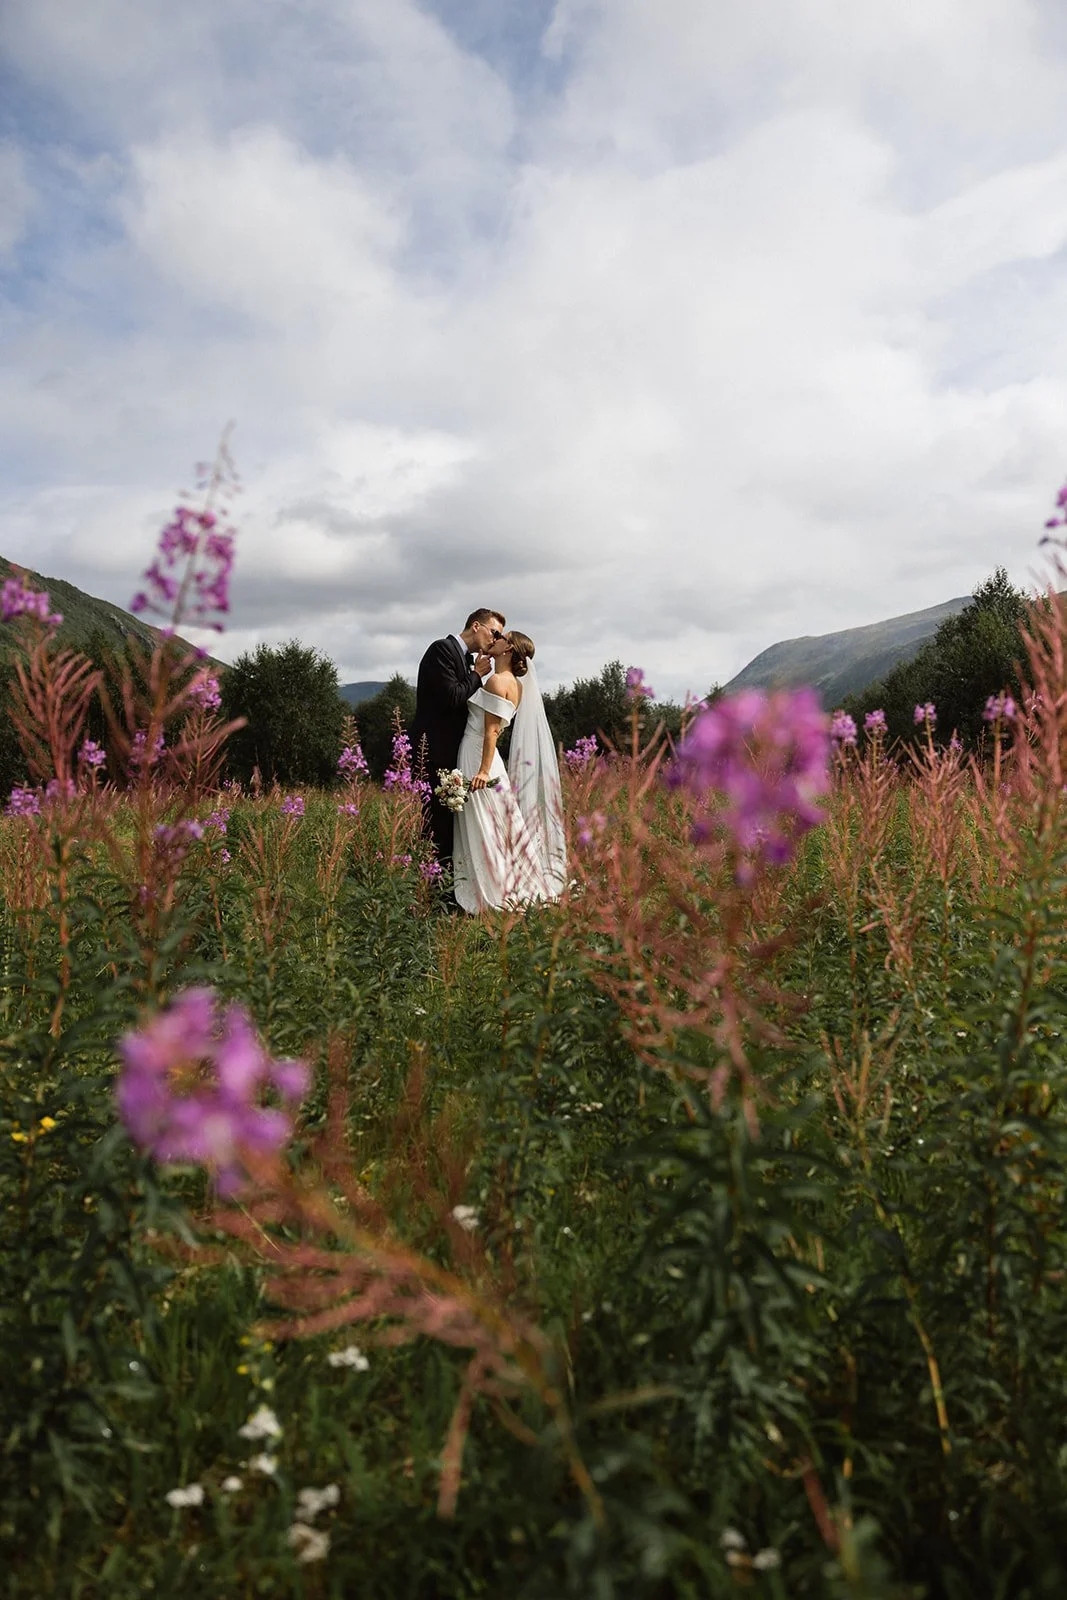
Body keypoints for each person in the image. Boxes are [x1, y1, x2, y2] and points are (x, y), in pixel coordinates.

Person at [453, 631, 567, 914]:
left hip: (479, 756)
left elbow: (491, 731)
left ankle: (493, 888)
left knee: (485, 824)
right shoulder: (516, 684)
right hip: (491, 760)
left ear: (508, 650)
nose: (495, 638)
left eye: (501, 638)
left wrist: (481, 771)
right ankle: (511, 880)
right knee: (501, 822)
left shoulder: (496, 681)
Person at [410, 609, 504, 872]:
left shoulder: (464, 658)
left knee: (447, 826)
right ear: (476, 626)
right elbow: (451, 697)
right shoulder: (441, 649)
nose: (496, 639)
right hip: (432, 752)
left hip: (451, 754)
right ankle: (430, 890)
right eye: (494, 632)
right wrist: (476, 675)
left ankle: (447, 890)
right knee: (434, 826)